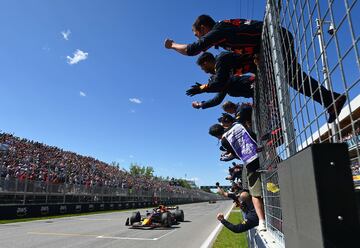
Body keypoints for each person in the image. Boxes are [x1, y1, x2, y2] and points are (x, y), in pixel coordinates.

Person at [165, 14, 346, 123]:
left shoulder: (219, 32)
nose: (200, 39)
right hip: (269, 44)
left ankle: (331, 99)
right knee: (292, 78)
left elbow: (192, 50)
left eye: (198, 34)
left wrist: (172, 45)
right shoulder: (224, 40)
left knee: (292, 77)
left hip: (275, 38)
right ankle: (331, 100)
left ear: (204, 28)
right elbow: (220, 88)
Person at [209, 123, 266, 231]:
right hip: (262, 151)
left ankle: (262, 221)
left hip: (250, 160)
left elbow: (235, 154)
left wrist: (226, 158)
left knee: (255, 193)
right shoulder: (237, 124)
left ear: (216, 136)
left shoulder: (224, 140)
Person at [187, 52, 255, 110]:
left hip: (255, 79)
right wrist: (201, 104)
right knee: (231, 91)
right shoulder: (224, 81)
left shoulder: (221, 59)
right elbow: (217, 99)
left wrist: (201, 88)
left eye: (202, 68)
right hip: (254, 88)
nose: (204, 71)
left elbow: (219, 83)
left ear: (205, 63)